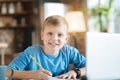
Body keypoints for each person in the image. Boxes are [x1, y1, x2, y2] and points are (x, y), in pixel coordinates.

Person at [7, 15, 86, 80]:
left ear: (66, 39)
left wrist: (76, 72)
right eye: (50, 33)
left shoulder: (69, 52)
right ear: (42, 35)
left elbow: (90, 67)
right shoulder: (31, 53)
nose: (54, 38)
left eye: (60, 35)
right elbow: (7, 72)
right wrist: (32, 74)